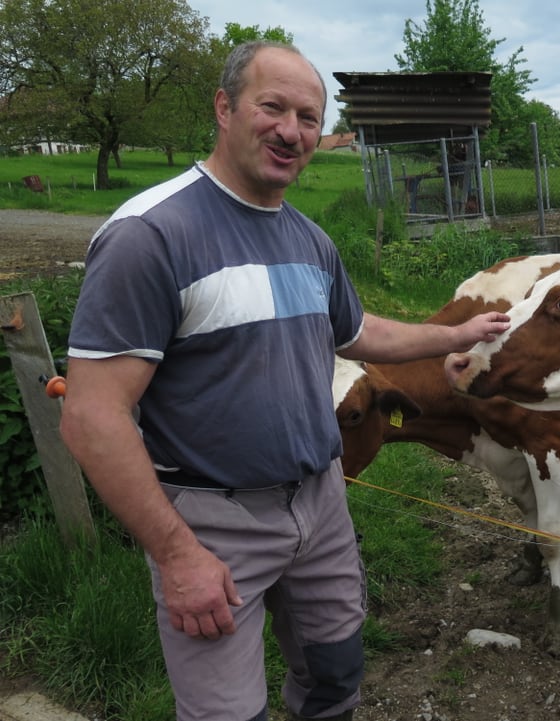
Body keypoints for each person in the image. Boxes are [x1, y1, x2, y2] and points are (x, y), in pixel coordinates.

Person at [59, 40, 509, 721]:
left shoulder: (308, 239)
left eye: (307, 116)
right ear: (224, 107)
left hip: (321, 502)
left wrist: (453, 336)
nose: (290, 130)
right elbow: (91, 416)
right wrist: (178, 554)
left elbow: (358, 333)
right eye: (272, 107)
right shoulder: (150, 236)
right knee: (226, 713)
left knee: (335, 676)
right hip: (213, 519)